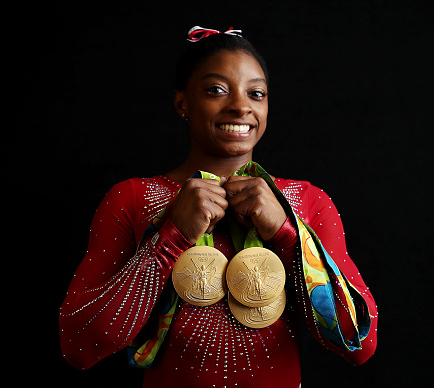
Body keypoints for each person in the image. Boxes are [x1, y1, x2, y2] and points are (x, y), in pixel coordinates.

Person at [59, 26, 378, 388]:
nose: (241, 106)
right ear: (182, 103)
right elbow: (79, 346)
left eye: (256, 93)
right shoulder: (133, 198)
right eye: (216, 90)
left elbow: (360, 345)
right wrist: (169, 237)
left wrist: (288, 235)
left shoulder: (307, 203)